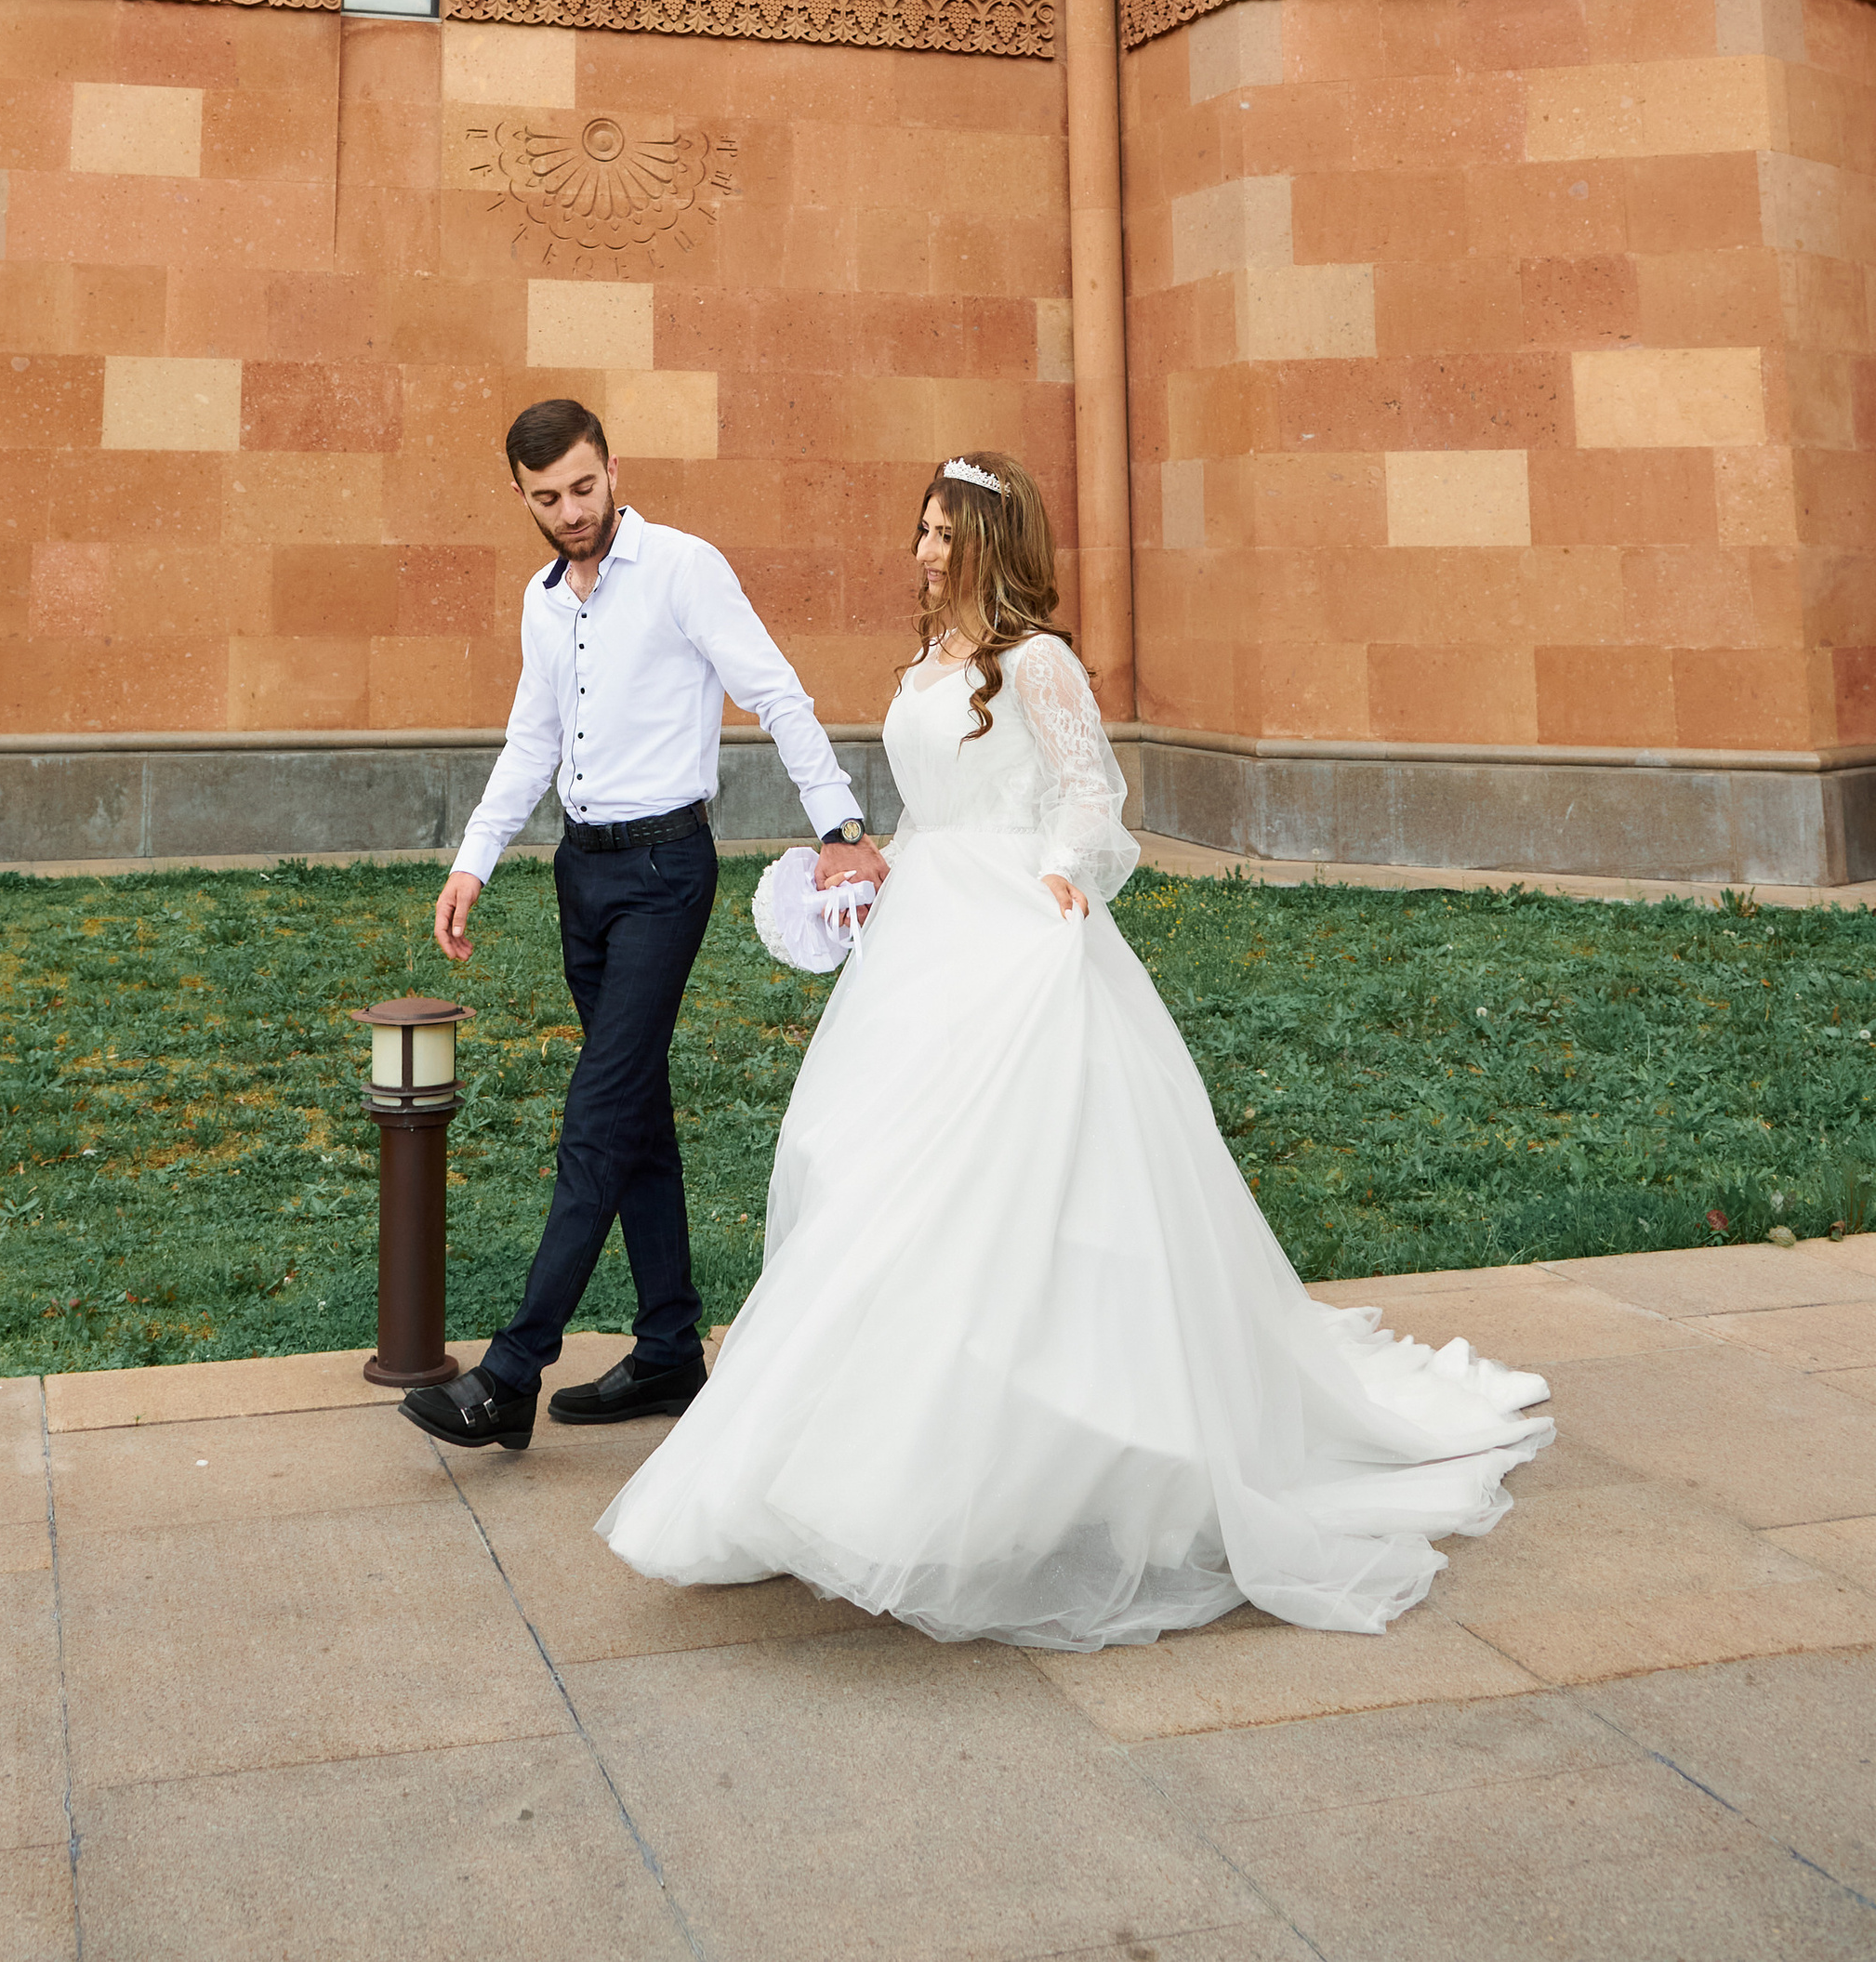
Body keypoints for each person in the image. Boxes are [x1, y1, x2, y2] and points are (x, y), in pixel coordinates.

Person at [599, 452, 1553, 1649]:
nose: (926, 552)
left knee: (1022, 1193)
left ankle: (1054, 1468)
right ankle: (887, 1463)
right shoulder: (923, 666)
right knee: (871, 1178)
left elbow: (1089, 796)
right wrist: (871, 865)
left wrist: (1060, 883)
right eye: (922, 531)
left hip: (1020, 939)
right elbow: (931, 806)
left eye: (947, 534)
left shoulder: (1036, 662)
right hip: (925, 945)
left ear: (995, 544)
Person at [400, 401, 889, 1455]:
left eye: (583, 487)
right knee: (636, 1118)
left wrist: (841, 826)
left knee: (597, 1116)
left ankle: (511, 1372)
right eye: (546, 498)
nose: (571, 513)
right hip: (584, 874)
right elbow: (530, 740)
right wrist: (471, 862)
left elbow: (778, 695)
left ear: (612, 469)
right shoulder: (542, 603)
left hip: (669, 870)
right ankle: (669, 1347)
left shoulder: (683, 568)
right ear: (519, 496)